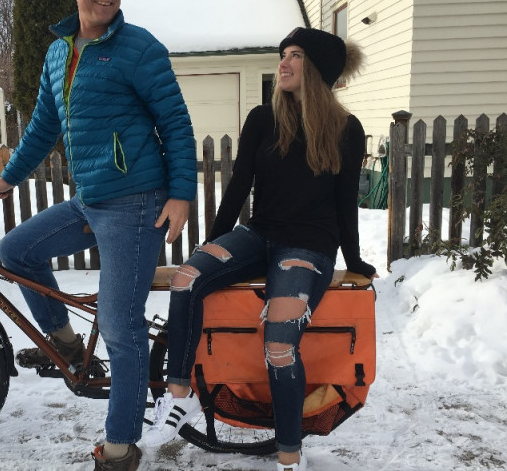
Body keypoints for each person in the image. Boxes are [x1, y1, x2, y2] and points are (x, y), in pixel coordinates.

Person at [0, 0, 196, 469]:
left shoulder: (138, 47)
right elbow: (42, 127)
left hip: (137, 203)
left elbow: (176, 122)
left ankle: (122, 445)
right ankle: (68, 343)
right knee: (18, 249)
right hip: (90, 201)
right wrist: (8, 178)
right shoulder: (60, 52)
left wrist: (181, 194)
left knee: (121, 327)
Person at [142, 27, 377, 471]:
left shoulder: (347, 129)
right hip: (259, 234)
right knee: (186, 279)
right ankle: (179, 396)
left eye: (294, 56)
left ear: (318, 70)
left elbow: (346, 201)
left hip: (309, 246)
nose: (282, 63)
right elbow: (238, 188)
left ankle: (289, 457)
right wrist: (213, 240)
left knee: (280, 344)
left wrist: (354, 258)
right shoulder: (262, 119)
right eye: (282, 54)